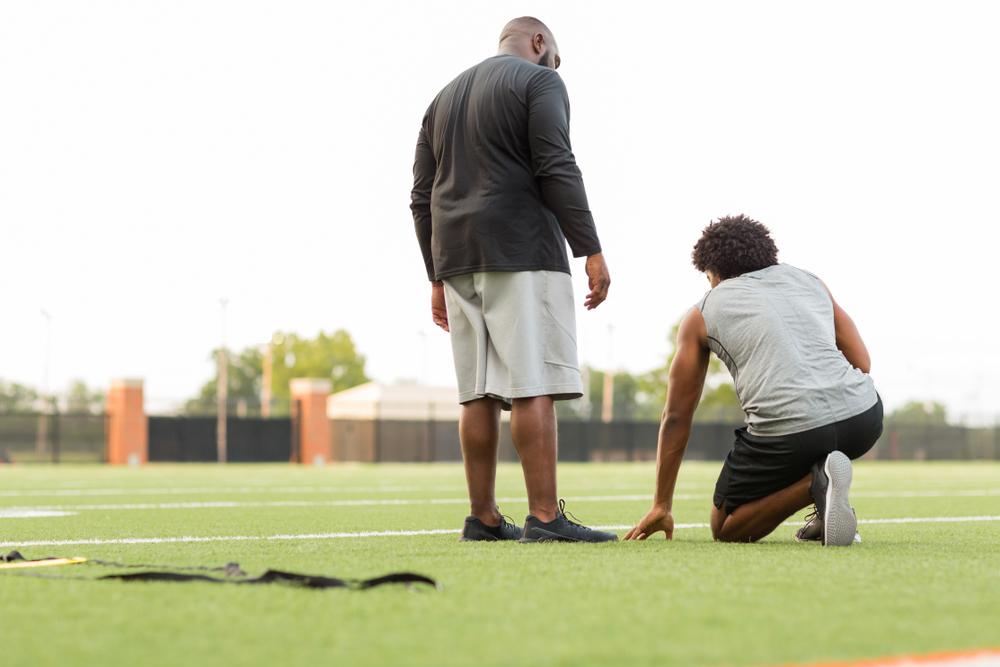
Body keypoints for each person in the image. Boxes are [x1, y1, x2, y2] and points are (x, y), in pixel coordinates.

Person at [410, 17, 616, 543]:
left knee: (476, 392)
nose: (555, 67)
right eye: (555, 57)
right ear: (539, 42)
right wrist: (589, 248)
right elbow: (555, 164)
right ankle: (545, 518)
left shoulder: (442, 98)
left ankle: (483, 517)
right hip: (520, 248)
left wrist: (436, 275)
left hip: (455, 254)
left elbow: (421, 194)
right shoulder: (540, 81)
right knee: (533, 383)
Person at [623, 215, 883, 546]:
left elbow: (676, 415)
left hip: (790, 432)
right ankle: (825, 502)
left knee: (726, 526)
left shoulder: (701, 313)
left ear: (713, 273)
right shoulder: (810, 281)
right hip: (864, 418)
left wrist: (662, 504)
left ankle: (816, 486)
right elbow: (862, 362)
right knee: (819, 442)